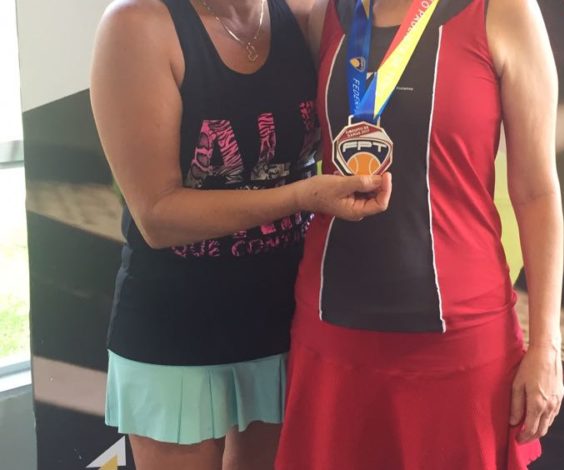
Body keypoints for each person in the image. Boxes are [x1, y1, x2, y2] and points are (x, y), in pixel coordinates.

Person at [90, 0, 391, 468]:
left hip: (283, 320)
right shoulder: (137, 25)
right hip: (177, 328)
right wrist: (301, 197)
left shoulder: (303, 17)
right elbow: (158, 216)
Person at [275, 0, 563, 467]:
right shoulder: (327, 15)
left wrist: (547, 345)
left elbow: (536, 192)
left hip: (461, 340)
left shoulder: (503, 11)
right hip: (332, 332)